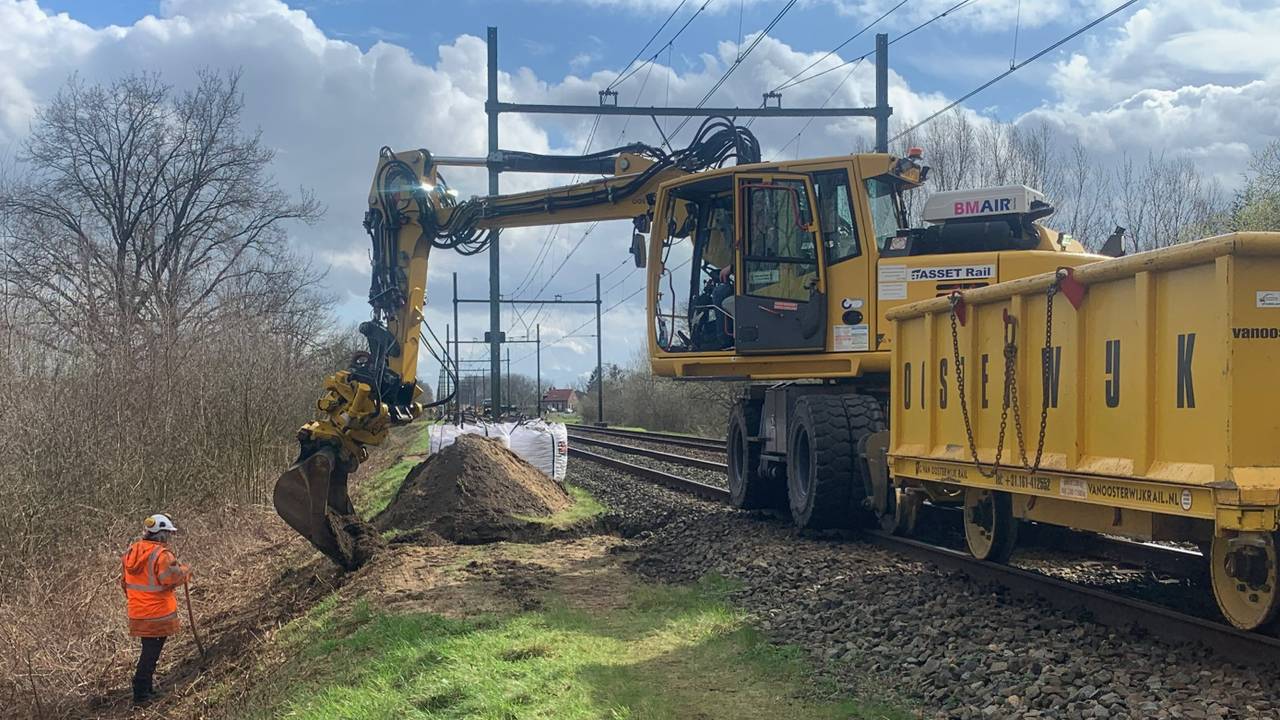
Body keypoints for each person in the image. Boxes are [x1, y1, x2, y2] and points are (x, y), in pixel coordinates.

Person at [120, 513, 191, 704]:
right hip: (157, 615)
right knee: (150, 654)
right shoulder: (162, 555)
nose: (168, 538)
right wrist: (185, 571)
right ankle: (141, 694)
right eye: (167, 533)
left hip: (138, 613)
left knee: (148, 651)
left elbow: (124, 583)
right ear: (160, 534)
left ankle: (146, 690)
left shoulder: (132, 552)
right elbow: (171, 578)